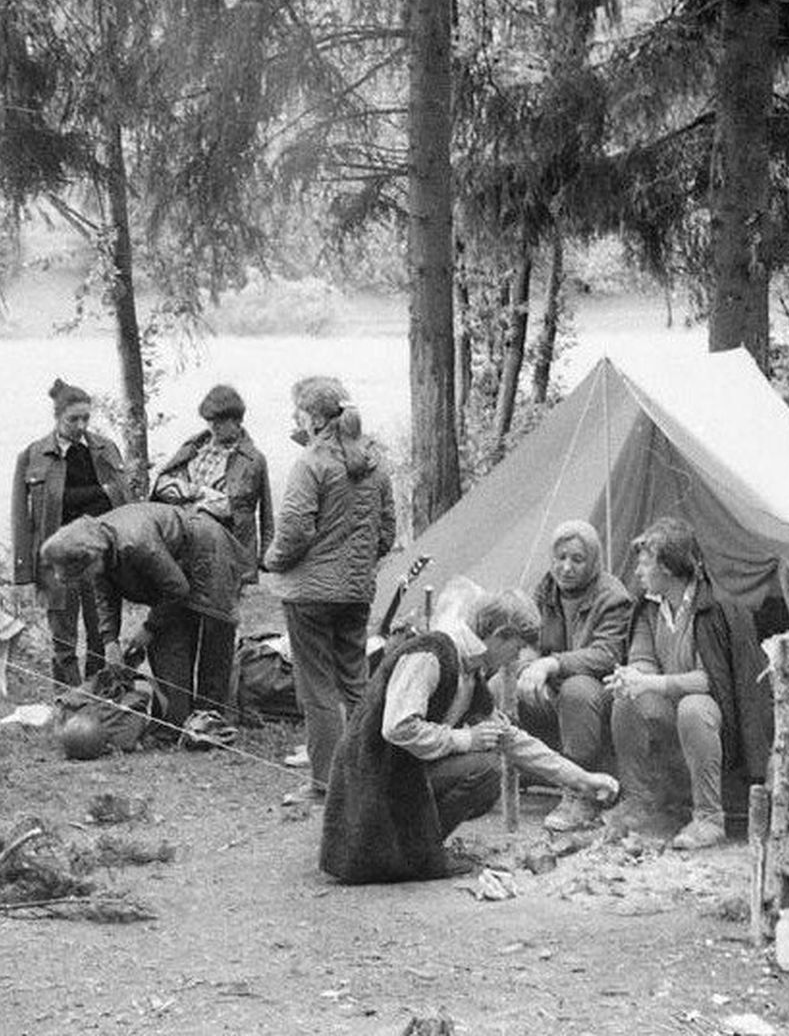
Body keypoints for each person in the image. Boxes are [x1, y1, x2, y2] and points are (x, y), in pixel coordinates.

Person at [320, 584, 619, 884]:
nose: (512, 660)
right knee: (484, 770)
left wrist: (583, 779)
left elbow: (511, 739)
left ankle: (418, 850)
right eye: (514, 649)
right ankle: (410, 856)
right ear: (500, 634)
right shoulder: (431, 653)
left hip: (403, 776)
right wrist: (465, 739)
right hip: (371, 780)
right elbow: (398, 727)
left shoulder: (471, 671)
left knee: (486, 767)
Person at [262, 375, 396, 806]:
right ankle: (368, 774)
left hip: (310, 594)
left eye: (298, 411)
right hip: (356, 592)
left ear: (314, 417)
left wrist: (272, 561)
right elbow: (386, 534)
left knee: (316, 689)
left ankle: (325, 783)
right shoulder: (377, 464)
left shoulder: (311, 463)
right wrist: (357, 566)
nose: (294, 418)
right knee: (356, 683)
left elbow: (296, 528)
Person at [606, 516, 774, 850]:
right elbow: (642, 657)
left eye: (645, 564)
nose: (638, 572)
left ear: (667, 568)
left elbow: (708, 679)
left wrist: (652, 683)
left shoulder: (715, 608)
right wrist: (632, 677)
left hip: (720, 719)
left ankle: (709, 818)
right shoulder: (651, 608)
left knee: (693, 708)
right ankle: (642, 802)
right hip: (670, 709)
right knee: (626, 701)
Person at [39, 501, 243, 729]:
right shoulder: (97, 547)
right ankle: (176, 720)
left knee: (215, 633)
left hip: (209, 549)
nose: (84, 581)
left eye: (80, 576)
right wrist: (110, 642)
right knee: (169, 651)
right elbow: (105, 597)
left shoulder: (136, 544)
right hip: (171, 573)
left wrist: (149, 627)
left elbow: (178, 589)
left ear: (88, 561)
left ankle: (210, 717)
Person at [491, 520, 632, 832]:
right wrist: (527, 665)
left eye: (577, 560)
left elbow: (607, 655)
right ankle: (490, 777)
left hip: (599, 695)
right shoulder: (546, 588)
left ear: (593, 561)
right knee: (499, 684)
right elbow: (527, 637)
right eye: (560, 558)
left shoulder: (612, 597)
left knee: (577, 690)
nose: (566, 568)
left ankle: (581, 794)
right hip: (552, 689)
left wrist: (550, 664)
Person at [13, 379, 130, 686]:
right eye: (72, 419)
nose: (80, 426)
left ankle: (98, 695)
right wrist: (24, 574)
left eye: (85, 418)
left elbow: (120, 498)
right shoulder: (32, 455)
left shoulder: (105, 449)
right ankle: (68, 699)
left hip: (96, 557)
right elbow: (22, 520)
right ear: (57, 417)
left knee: (100, 632)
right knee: (62, 639)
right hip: (55, 559)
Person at [151, 383, 273, 583]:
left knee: (219, 612)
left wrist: (265, 554)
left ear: (236, 421)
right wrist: (199, 492)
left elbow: (263, 512)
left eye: (219, 421)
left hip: (227, 552)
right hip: (184, 546)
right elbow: (162, 485)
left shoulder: (254, 460)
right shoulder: (193, 448)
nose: (212, 426)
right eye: (209, 420)